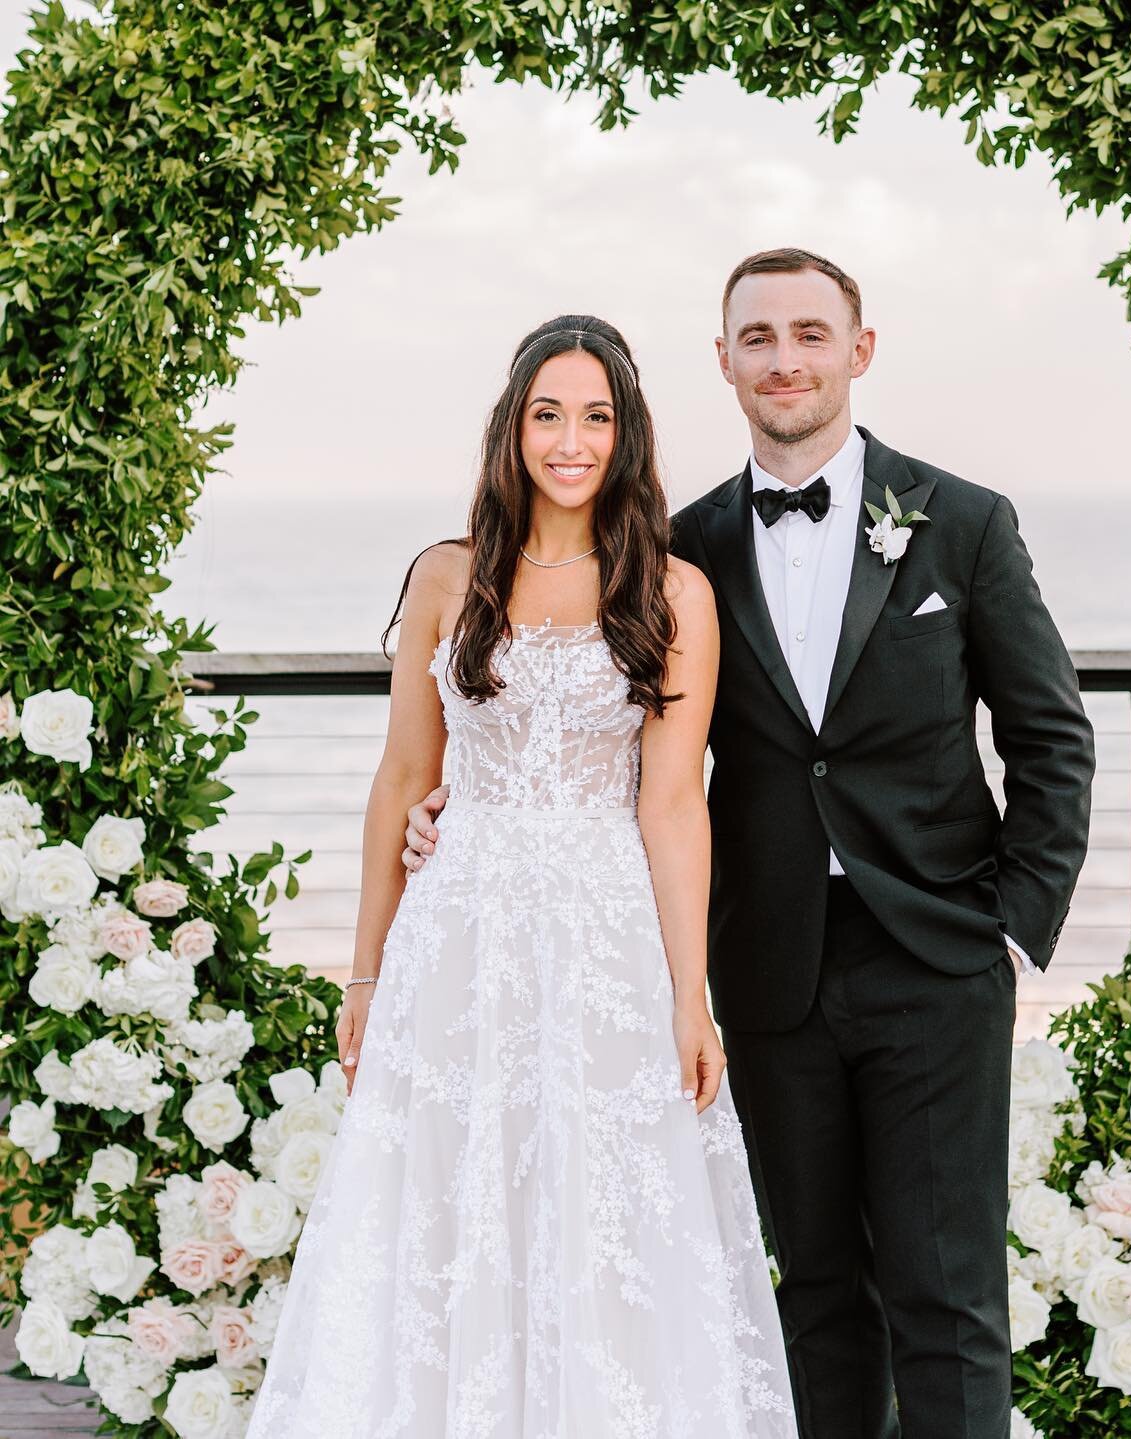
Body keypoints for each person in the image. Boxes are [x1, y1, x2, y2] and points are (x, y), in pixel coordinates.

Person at [403, 250, 1096, 1439]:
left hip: (936, 958)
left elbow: (1050, 736)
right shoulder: (675, 550)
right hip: (766, 966)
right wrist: (455, 804)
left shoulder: (965, 523)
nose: (786, 359)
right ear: (721, 360)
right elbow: (614, 749)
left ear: (858, 351)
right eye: (759, 337)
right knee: (814, 1293)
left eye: (811, 334)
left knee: (950, 1296)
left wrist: (1009, 930)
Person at [246, 316, 797, 1437]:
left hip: (603, 938)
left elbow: (673, 801)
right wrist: (363, 973)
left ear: (626, 434)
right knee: (446, 1203)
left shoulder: (674, 591)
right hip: (461, 931)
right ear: (513, 427)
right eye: (549, 413)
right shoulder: (447, 575)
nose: (571, 439)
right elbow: (405, 774)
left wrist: (690, 997)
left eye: (596, 416)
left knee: (602, 1209)